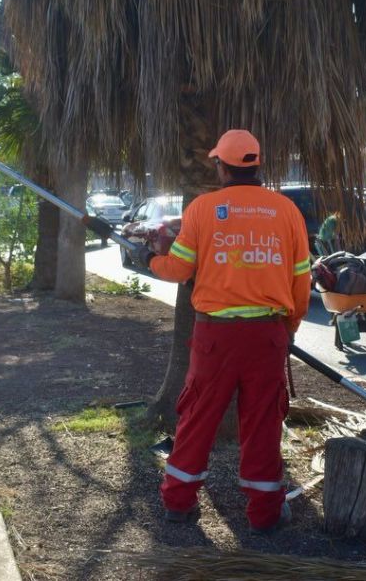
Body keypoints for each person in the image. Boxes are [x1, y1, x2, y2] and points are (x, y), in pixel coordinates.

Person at [129, 128, 312, 534]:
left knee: (197, 417)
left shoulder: (203, 209)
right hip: (267, 335)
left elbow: (178, 269)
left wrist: (147, 259)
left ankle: (178, 503)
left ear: (221, 166)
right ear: (257, 165)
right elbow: (302, 281)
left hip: (215, 337)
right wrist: (289, 328)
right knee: (263, 423)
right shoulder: (286, 211)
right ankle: (265, 513)